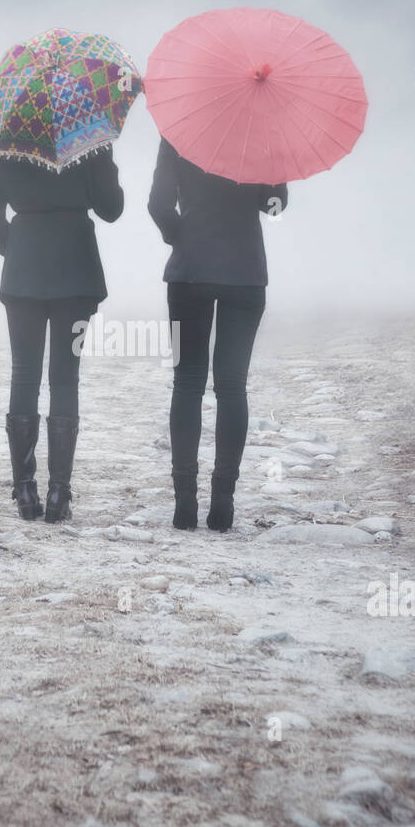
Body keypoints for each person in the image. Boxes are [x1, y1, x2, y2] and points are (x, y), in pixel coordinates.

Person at [0, 142, 124, 522]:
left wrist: (11, 243)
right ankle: (59, 492)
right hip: (76, 265)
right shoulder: (89, 139)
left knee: (23, 374)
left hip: (24, 262)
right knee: (65, 378)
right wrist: (104, 159)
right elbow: (112, 209)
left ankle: (25, 490)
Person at [148, 137, 288, 532]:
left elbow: (158, 205)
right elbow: (274, 205)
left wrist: (181, 235)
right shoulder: (261, 129)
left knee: (187, 382)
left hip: (189, 270)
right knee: (232, 386)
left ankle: (185, 503)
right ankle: (223, 503)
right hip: (245, 273)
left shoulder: (180, 129)